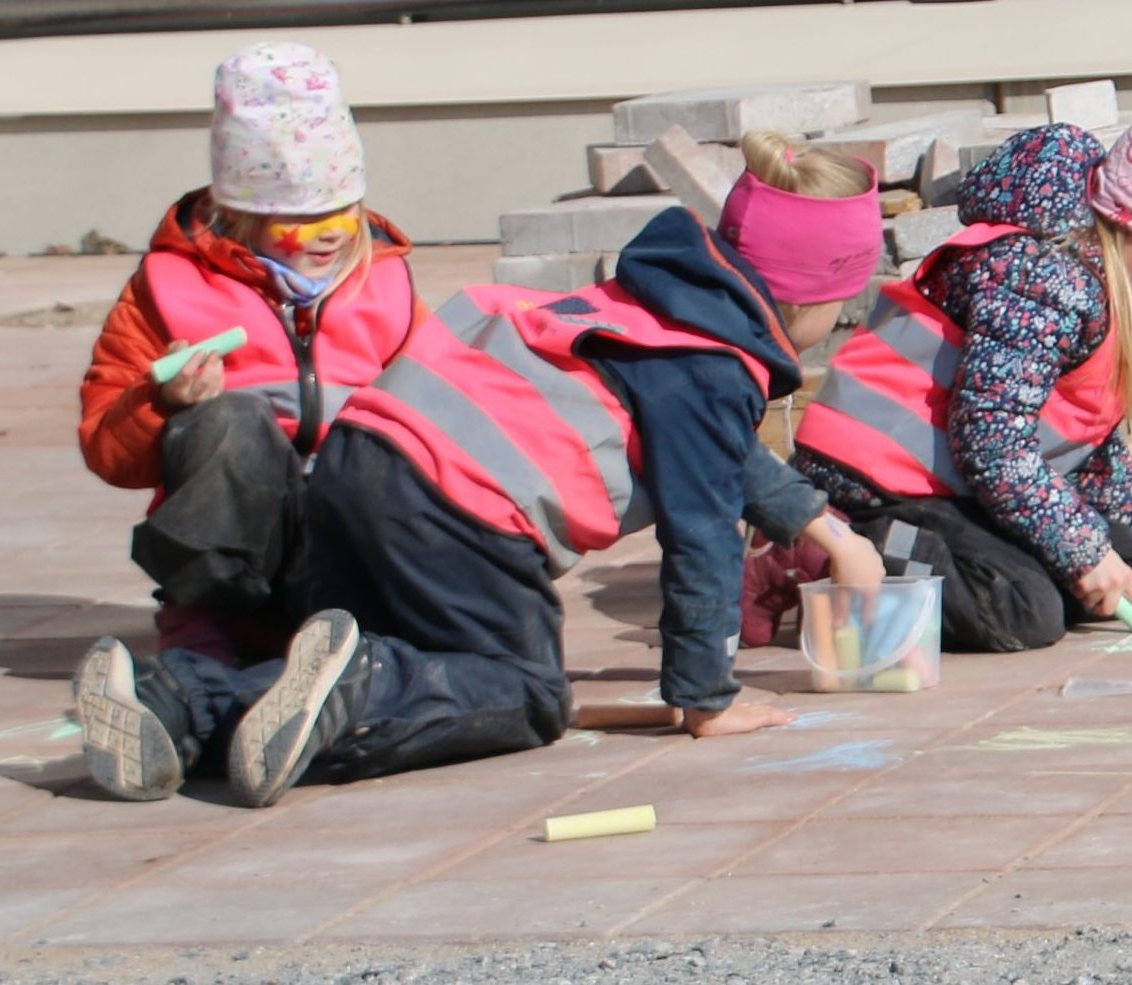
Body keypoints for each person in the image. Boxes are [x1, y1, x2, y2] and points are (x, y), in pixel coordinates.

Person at [71, 132, 886, 806]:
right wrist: (706, 695)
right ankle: (366, 684)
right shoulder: (712, 369)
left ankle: (174, 701)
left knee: (392, 658)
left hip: (358, 468)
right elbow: (702, 529)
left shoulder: (650, 304)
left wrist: (824, 529)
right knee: (518, 694)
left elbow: (715, 451)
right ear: (813, 299)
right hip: (459, 515)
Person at [790, 87, 1132, 651]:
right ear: (1125, 219)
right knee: (1020, 609)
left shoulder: (1105, 283)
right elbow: (990, 444)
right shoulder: (1042, 279)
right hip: (870, 481)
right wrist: (1084, 554)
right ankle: (818, 550)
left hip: (946, 480)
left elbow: (1091, 443)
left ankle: (1073, 565)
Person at [75, 42, 420, 675]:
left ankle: (364, 639)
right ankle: (199, 636)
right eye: (297, 217)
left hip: (349, 553)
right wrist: (160, 402)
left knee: (392, 443)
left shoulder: (389, 287)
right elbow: (106, 446)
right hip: (235, 562)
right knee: (229, 420)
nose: (327, 234)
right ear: (240, 215)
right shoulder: (168, 289)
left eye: (339, 211)